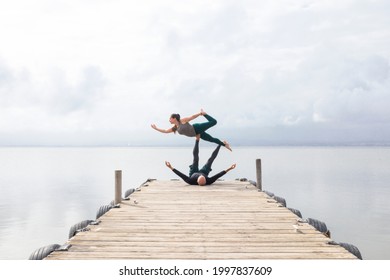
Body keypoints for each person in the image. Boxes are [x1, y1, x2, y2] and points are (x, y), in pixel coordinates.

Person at [165, 135, 236, 186]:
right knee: (210, 160)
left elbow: (180, 174)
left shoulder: (190, 181)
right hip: (205, 172)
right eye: (204, 178)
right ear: (205, 180)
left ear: (197, 181)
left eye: (201, 177)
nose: (201, 176)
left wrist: (170, 167)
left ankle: (197, 139)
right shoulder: (209, 181)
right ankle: (220, 144)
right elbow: (218, 175)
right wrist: (230, 168)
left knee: (195, 159)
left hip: (193, 172)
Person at [151, 109, 232, 151]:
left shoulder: (182, 121)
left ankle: (205, 114)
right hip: (197, 133)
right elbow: (165, 131)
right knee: (211, 140)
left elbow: (192, 117)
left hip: (197, 128)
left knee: (214, 122)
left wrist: (200, 113)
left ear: (174, 118)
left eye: (170, 119)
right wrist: (156, 128)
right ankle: (224, 144)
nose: (169, 120)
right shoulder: (175, 128)